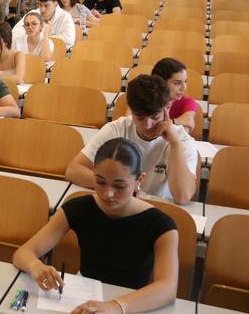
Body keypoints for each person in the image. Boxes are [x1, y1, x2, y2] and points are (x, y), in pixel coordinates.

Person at [14, 138, 179, 312]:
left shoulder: (161, 225)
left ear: (140, 180)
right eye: (100, 182)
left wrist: (116, 307)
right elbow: (22, 253)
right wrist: (36, 266)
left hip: (133, 302)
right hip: (84, 297)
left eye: (119, 186)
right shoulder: (79, 207)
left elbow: (167, 288)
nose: (107, 193)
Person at [65, 74, 198, 204]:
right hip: (120, 205)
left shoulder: (182, 141)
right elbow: (74, 170)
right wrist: (122, 188)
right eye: (139, 117)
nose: (147, 125)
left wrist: (175, 144)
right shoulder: (117, 129)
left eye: (154, 117)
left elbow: (182, 197)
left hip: (157, 212)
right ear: (131, 111)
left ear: (168, 107)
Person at [152, 58, 198, 134]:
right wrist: (177, 123)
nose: (184, 88)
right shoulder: (145, 97)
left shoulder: (188, 102)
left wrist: (169, 122)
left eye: (185, 81)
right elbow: (131, 121)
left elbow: (185, 130)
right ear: (161, 83)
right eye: (177, 83)